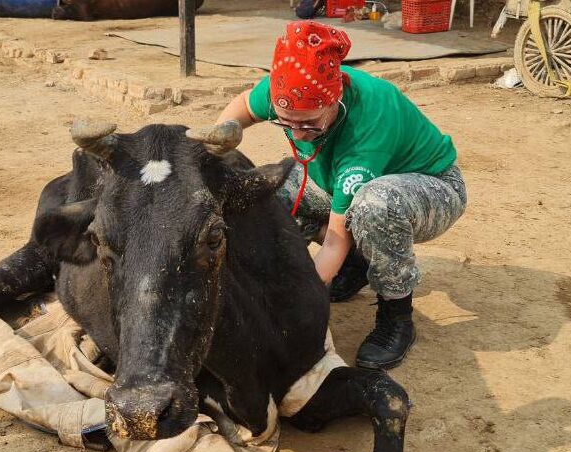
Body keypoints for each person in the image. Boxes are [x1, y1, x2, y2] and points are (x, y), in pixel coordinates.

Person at [187, 21, 467, 370]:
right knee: (267, 190)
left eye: (310, 125)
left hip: (431, 186)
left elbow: (336, 238)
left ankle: (397, 314)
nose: (300, 135)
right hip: (341, 184)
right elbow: (243, 105)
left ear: (335, 101)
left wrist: (294, 301)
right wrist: (218, 142)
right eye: (287, 123)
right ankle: (356, 266)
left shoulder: (367, 126)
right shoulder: (289, 84)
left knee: (372, 208)